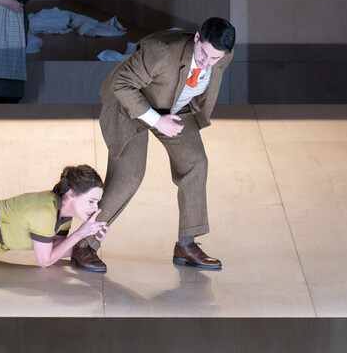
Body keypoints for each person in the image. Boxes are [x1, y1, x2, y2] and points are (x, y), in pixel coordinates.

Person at [70, 17, 236, 273]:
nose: (207, 62)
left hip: (174, 107)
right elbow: (121, 84)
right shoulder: (161, 52)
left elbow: (203, 78)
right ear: (196, 38)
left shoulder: (222, 54)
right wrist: (157, 121)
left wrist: (171, 116)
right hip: (129, 107)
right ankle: (83, 246)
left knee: (196, 163)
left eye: (215, 58)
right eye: (203, 53)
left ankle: (186, 245)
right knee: (129, 177)